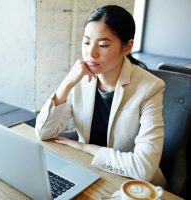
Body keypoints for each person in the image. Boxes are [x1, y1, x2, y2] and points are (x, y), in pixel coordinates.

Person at [35, 5, 167, 187]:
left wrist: (85, 148)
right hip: (86, 171)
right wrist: (66, 84)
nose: (91, 53)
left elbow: (143, 168)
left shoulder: (150, 87)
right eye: (87, 42)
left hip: (130, 184)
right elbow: (43, 133)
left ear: (127, 47)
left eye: (103, 45)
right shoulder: (80, 78)